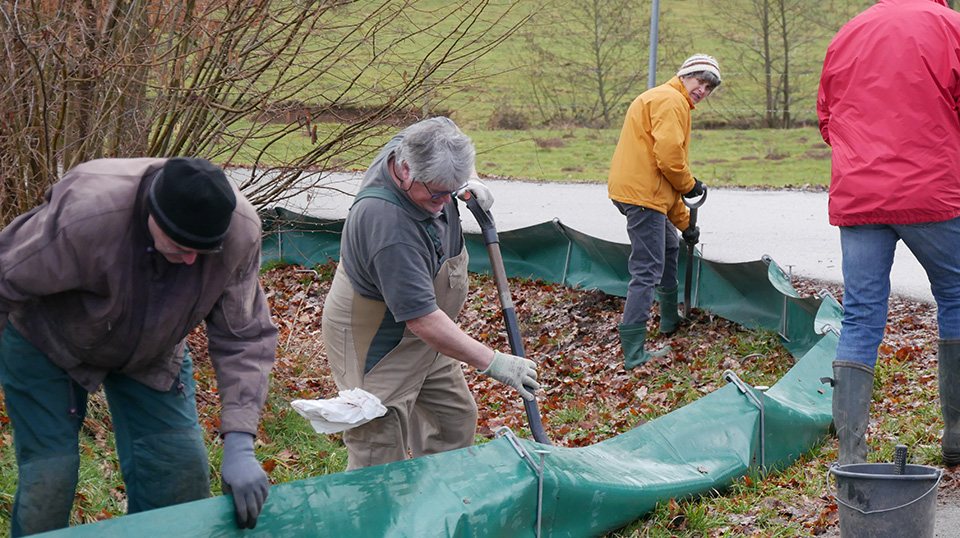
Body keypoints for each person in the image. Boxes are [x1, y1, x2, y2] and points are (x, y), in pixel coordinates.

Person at [0, 157, 277, 535]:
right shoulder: (87, 215)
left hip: (153, 351)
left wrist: (240, 441)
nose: (190, 259)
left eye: (203, 251)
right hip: (47, 340)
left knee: (179, 477)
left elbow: (244, 335)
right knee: (50, 480)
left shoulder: (239, 233)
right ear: (152, 214)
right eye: (179, 245)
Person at [321, 116, 541, 470]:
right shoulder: (388, 226)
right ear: (405, 169)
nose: (443, 202)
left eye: (451, 192)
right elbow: (423, 320)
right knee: (379, 439)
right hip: (377, 340)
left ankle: (434, 498)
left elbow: (446, 127)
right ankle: (376, 505)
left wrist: (470, 180)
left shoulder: (424, 142)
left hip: (426, 333)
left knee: (453, 418)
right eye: (436, 193)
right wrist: (494, 362)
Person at [818, 0, 960, 466]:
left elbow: (827, 118)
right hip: (933, 192)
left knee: (860, 316)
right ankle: (957, 436)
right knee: (956, 297)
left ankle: (851, 457)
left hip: (860, 196)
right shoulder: (950, 26)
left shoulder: (849, 32)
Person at [607, 54, 720, 368]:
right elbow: (669, 159)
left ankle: (669, 320)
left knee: (670, 246)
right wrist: (690, 185)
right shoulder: (671, 100)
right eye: (700, 81)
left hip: (645, 193)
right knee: (647, 269)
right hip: (642, 196)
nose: (703, 90)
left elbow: (662, 182)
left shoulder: (667, 99)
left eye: (709, 87)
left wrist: (685, 225)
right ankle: (633, 352)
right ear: (685, 76)